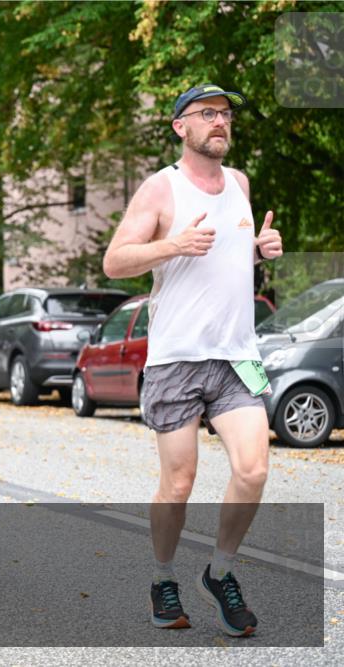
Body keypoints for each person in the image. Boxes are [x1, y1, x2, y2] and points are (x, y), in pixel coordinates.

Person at [103, 84, 282, 637]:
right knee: (178, 484)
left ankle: (220, 572)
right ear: (180, 126)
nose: (220, 122)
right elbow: (114, 261)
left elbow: (229, 251)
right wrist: (171, 245)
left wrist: (259, 247)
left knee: (252, 469)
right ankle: (162, 577)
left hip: (234, 357)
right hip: (175, 359)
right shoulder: (162, 188)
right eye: (207, 114)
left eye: (226, 114)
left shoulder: (240, 184)